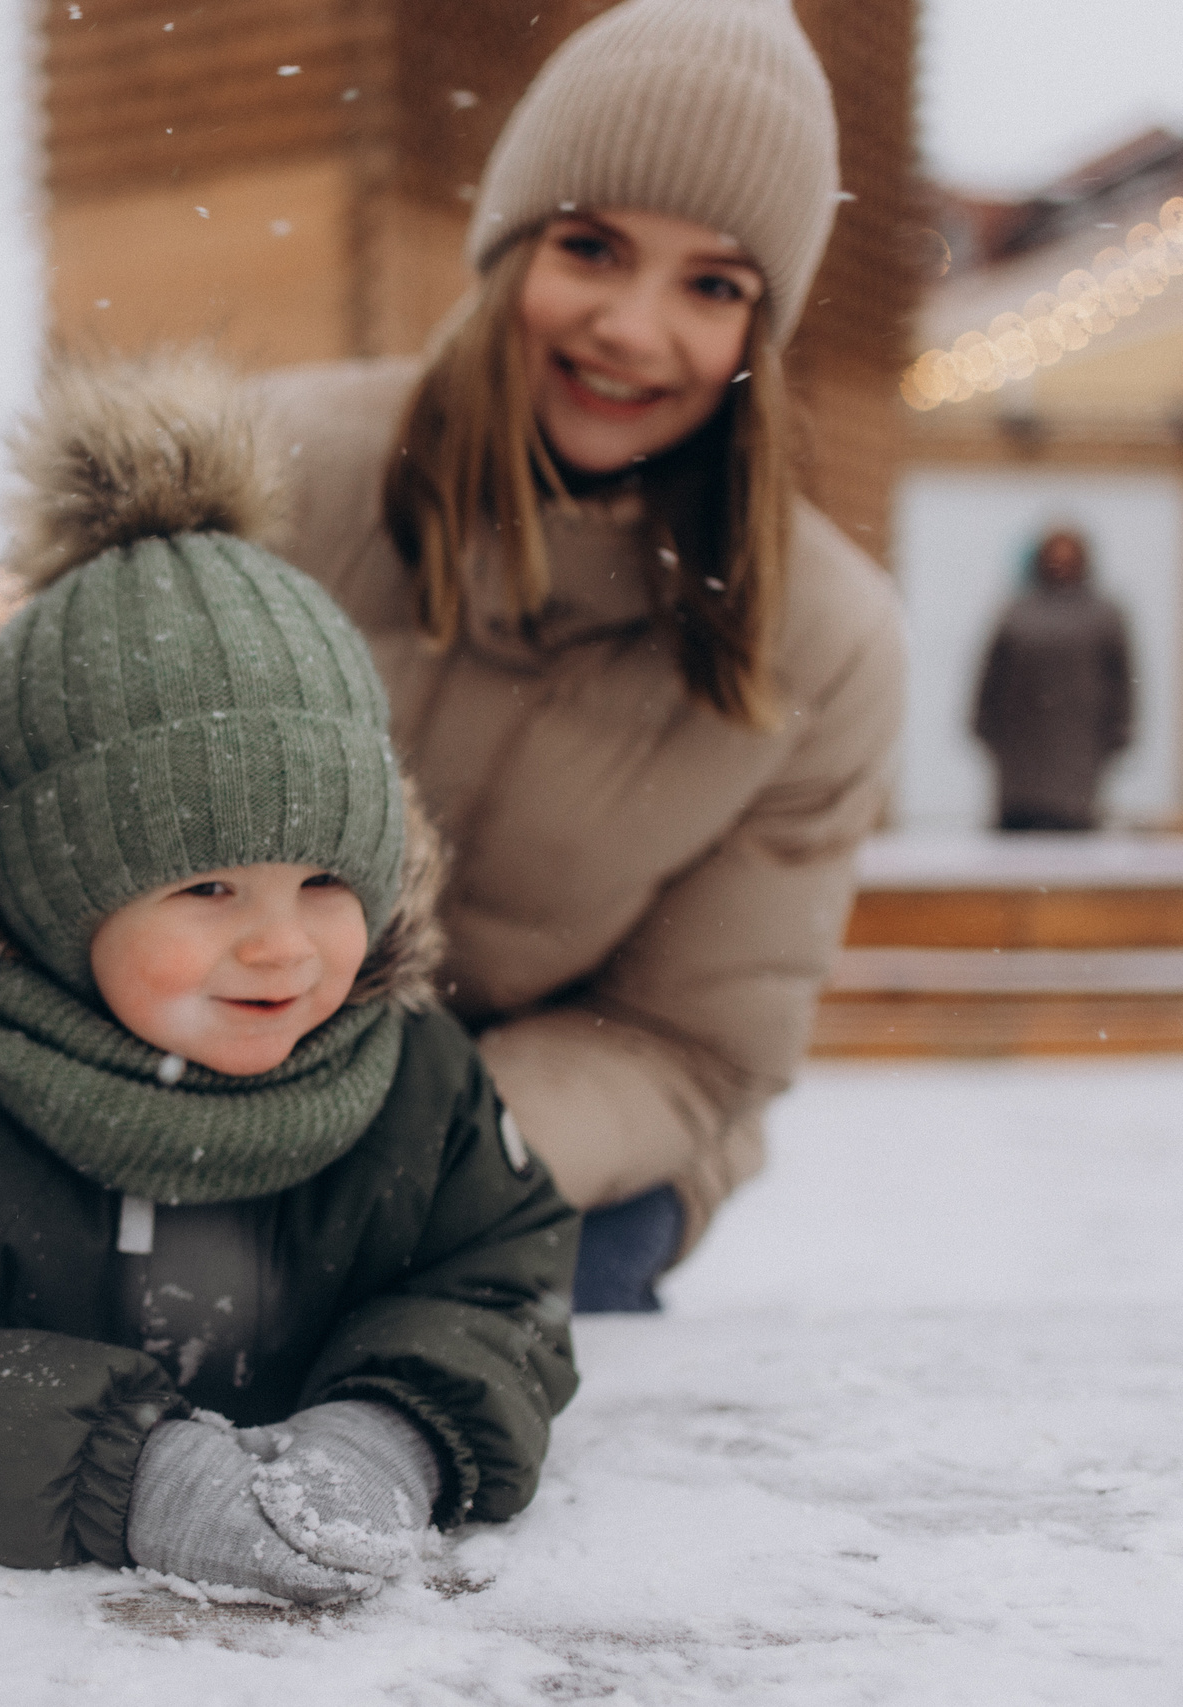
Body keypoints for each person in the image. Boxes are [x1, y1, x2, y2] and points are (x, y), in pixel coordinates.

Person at [0, 360, 577, 1604]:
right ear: (51, 891)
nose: (281, 946)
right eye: (204, 890)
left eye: (323, 882)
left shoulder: (416, 1085)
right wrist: (135, 1476)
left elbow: (501, 1279)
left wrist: (392, 1430)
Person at [259, 0, 903, 1312]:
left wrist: (418, 1163)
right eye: (594, 248)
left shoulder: (824, 644)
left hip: (555, 1152)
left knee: (460, 1325)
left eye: (712, 284)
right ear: (511, 245)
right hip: (215, 1084)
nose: (634, 327)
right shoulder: (280, 478)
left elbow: (689, 1041)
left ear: (757, 331)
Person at [974, 528, 1133, 832]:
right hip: (1018, 760)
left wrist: (1119, 733)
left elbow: (1121, 683)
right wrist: (985, 726)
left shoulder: (1103, 615)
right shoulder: (1016, 613)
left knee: (1072, 855)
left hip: (1079, 760)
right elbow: (990, 679)